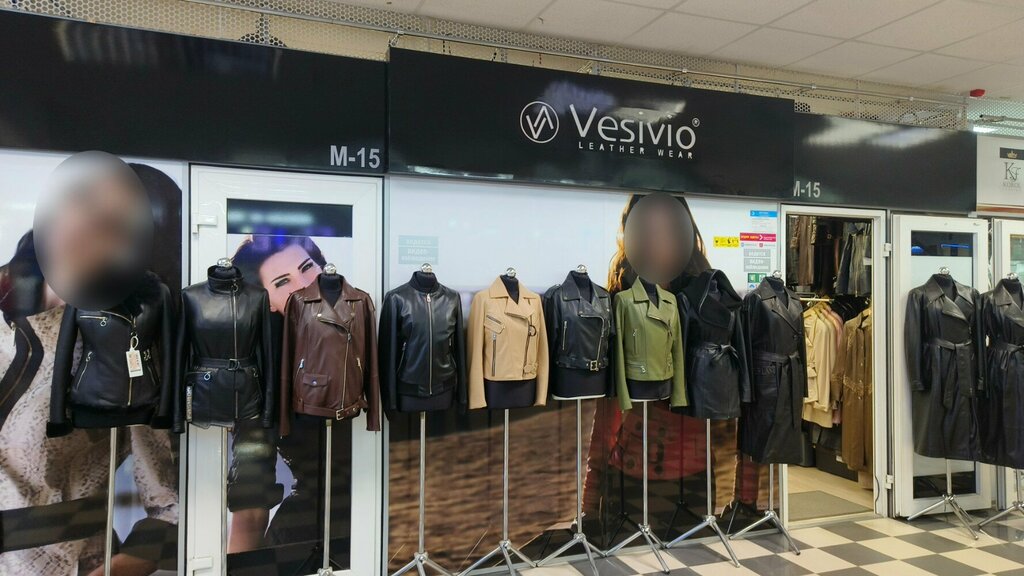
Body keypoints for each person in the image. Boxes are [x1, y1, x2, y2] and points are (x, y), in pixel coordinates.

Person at [0, 163, 181, 576]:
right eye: (83, 202)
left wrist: (115, 568)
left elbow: (168, 502)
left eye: (115, 226)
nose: (88, 226)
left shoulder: (122, 342)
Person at [224, 235, 352, 570]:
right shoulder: (265, 371)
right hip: (308, 534)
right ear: (267, 302)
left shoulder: (366, 324)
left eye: (307, 267)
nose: (306, 284)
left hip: (383, 520)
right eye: (283, 282)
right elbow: (250, 505)